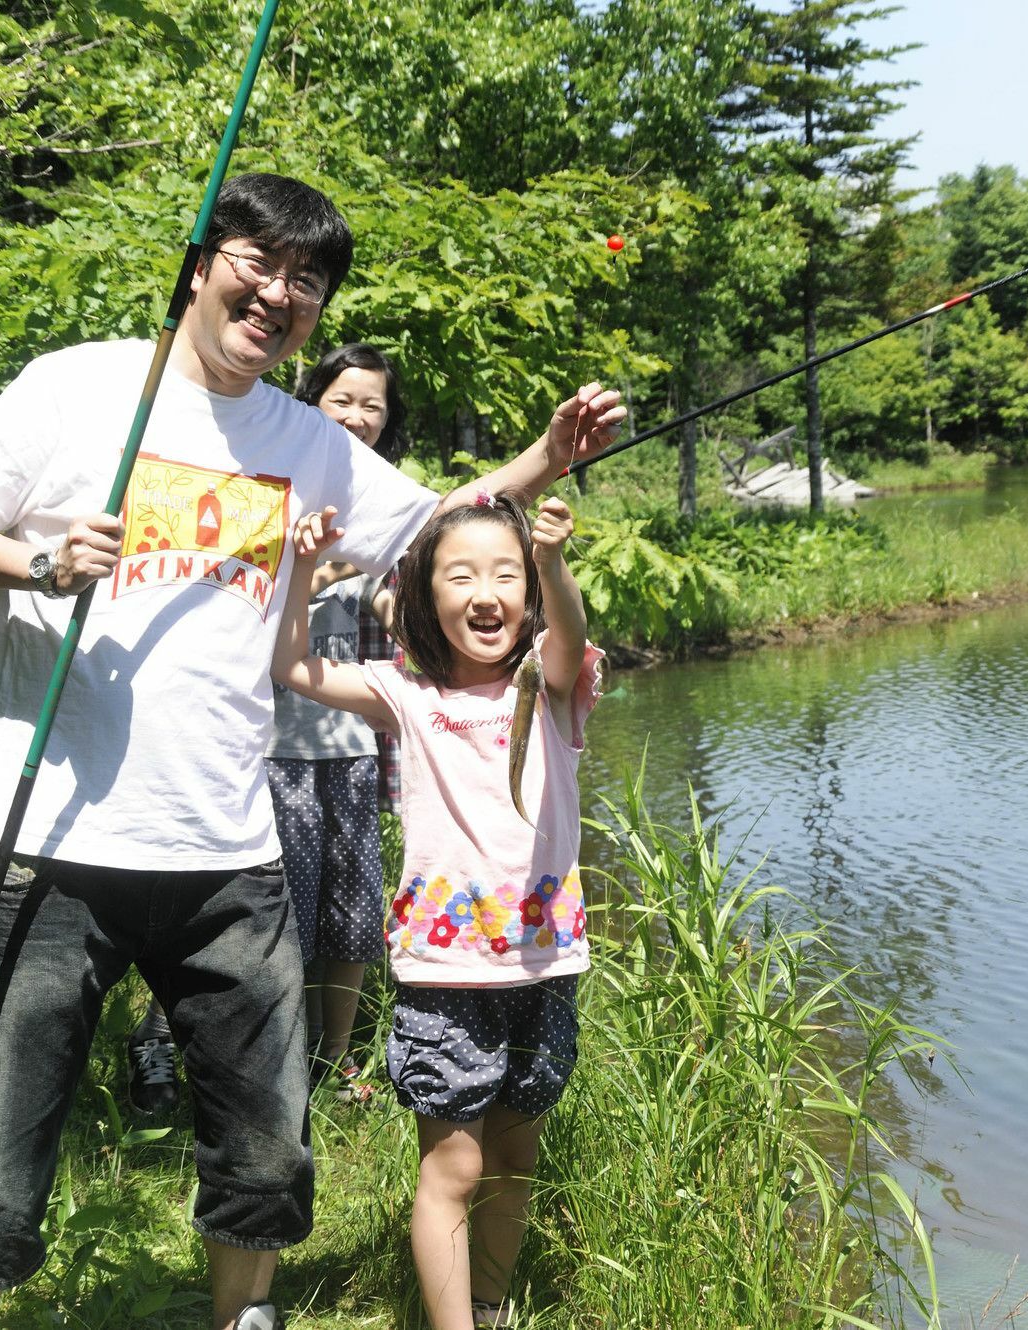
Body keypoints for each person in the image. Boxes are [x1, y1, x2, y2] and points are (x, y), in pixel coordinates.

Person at [0, 172, 622, 1330]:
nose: (278, 294)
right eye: (258, 263)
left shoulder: (305, 440)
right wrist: (39, 565)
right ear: (199, 265)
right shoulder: (76, 389)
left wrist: (545, 456)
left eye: (307, 282)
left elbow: (443, 522)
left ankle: (246, 1315)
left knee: (264, 1132)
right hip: (53, 841)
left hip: (226, 842)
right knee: (0, 1128)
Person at [273, 491, 599, 1330]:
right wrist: (302, 566)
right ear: (427, 595)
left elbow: (565, 636)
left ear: (529, 593)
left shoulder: (552, 685)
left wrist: (556, 561)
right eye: (461, 575)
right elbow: (296, 669)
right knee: (453, 1165)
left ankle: (488, 1308)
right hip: (443, 972)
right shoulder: (407, 694)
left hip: (543, 962)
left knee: (516, 1155)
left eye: (508, 574)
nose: (486, 592)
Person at [125, 343, 407, 1113]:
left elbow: (394, 610)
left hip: (343, 753)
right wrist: (323, 567)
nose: (357, 415)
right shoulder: (268, 486)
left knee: (349, 918)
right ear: (309, 404)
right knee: (241, 918)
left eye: (373, 405)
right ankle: (162, 1042)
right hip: (255, 751)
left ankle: (335, 1062)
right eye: (342, 399)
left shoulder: (374, 517)